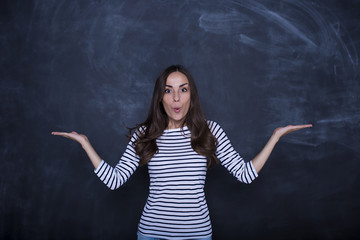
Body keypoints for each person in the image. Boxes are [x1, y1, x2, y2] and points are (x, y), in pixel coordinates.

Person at [52, 65, 312, 240]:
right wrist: (86, 143)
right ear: (160, 97)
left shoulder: (210, 131)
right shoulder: (143, 134)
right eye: (168, 90)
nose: (176, 97)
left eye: (183, 89)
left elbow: (245, 174)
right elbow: (115, 180)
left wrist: (276, 136)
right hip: (152, 233)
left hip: (197, 234)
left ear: (191, 95)